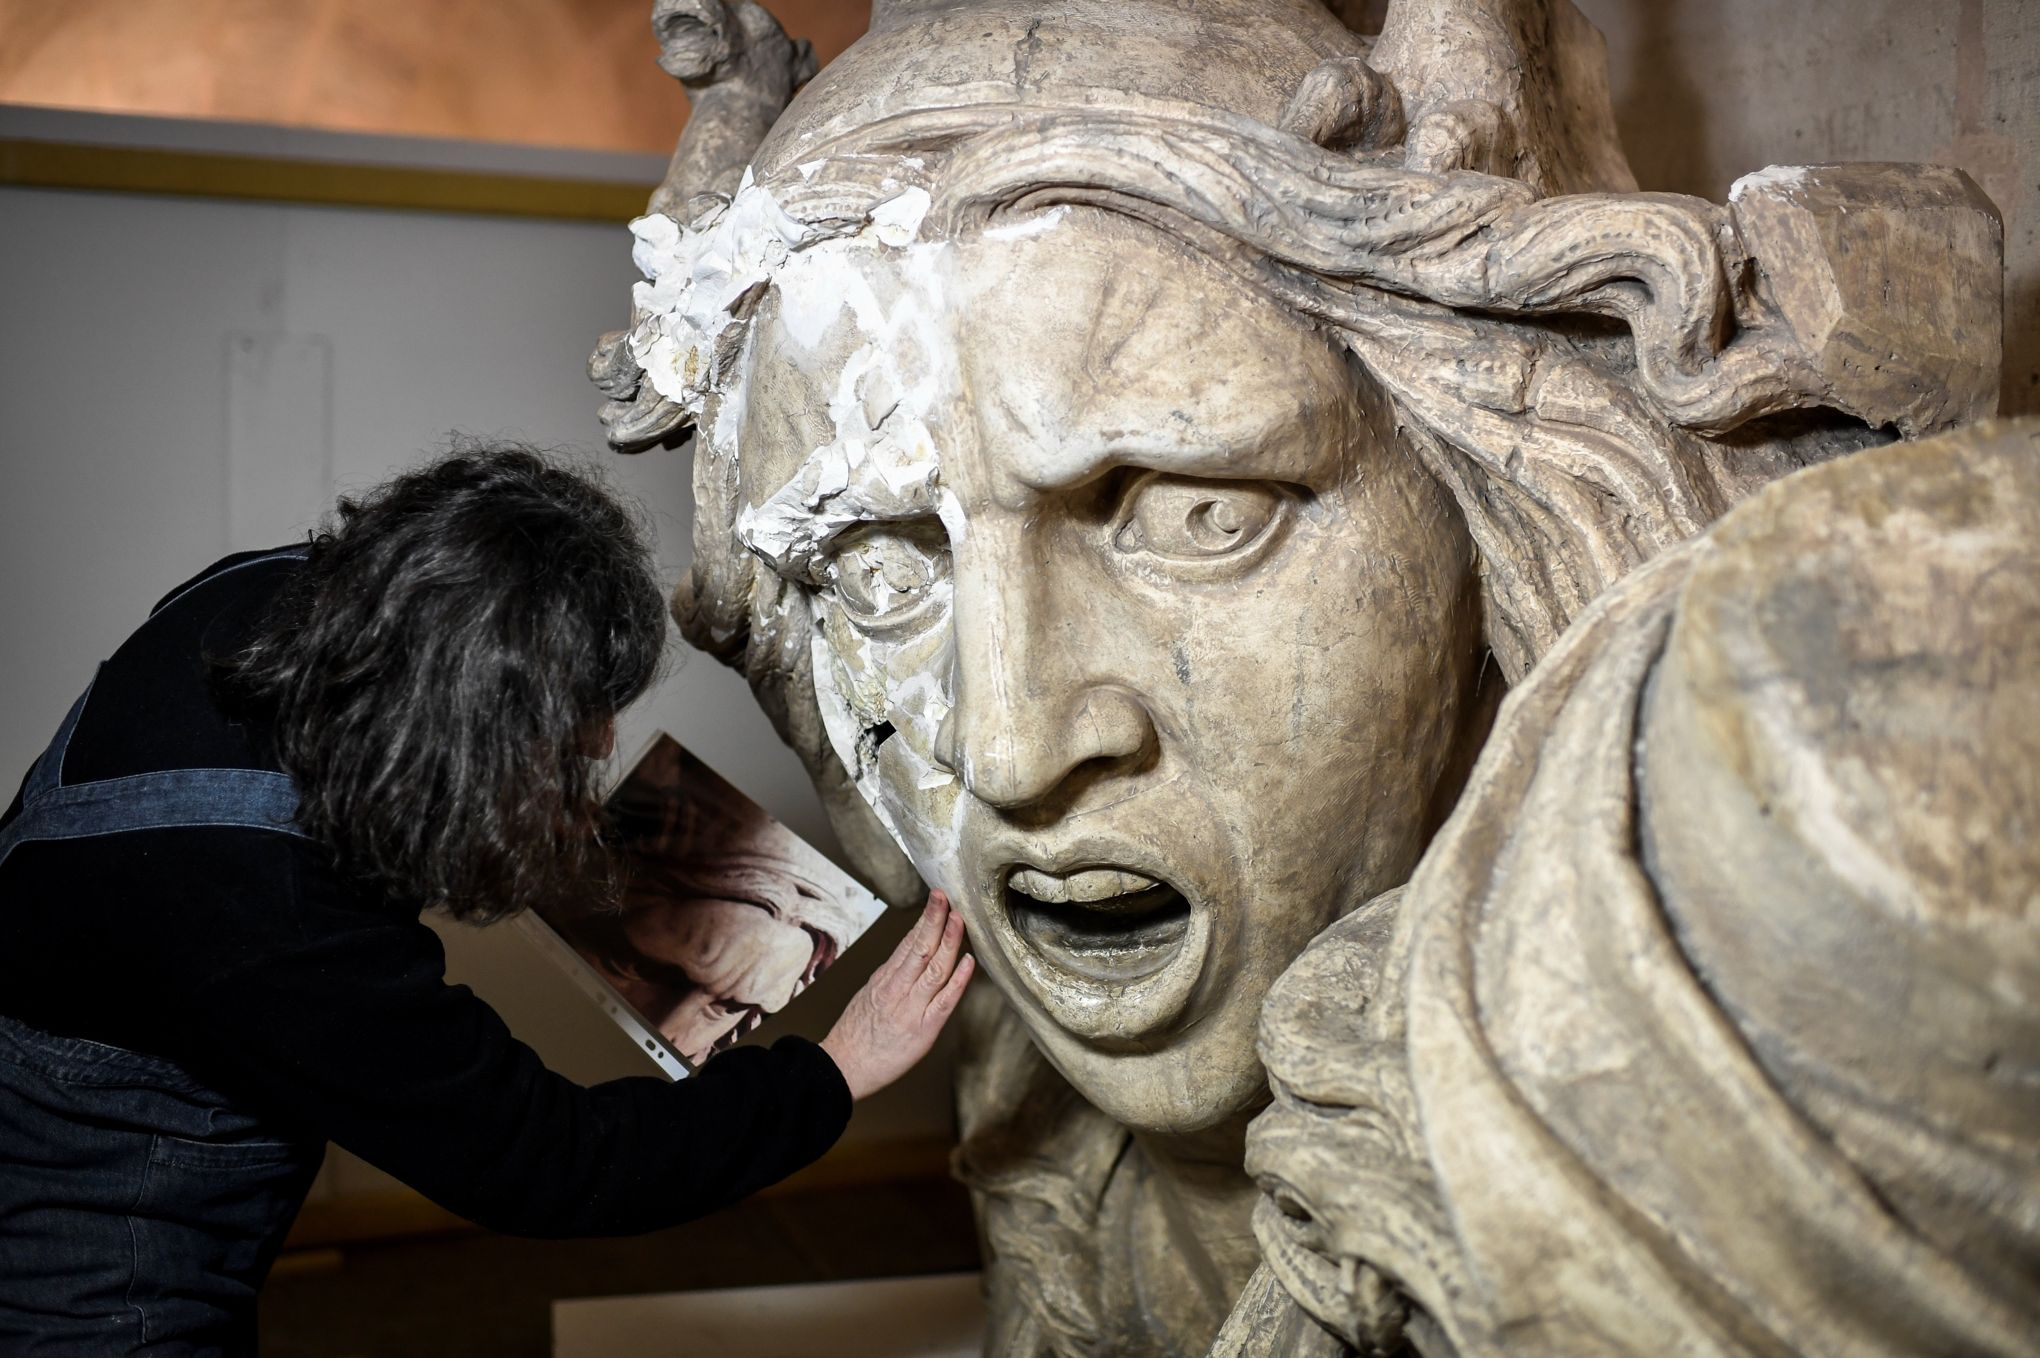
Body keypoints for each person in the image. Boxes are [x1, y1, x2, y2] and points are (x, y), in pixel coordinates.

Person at [0, 446, 974, 1355]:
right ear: (462, 741)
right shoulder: (274, 914)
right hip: (99, 1240)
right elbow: (551, 1160)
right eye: (569, 727)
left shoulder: (281, 594)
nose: (600, 747)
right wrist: (836, 1069)